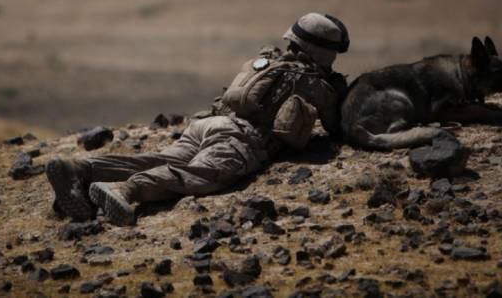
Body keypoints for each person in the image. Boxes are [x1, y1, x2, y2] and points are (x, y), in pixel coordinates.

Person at [46, 13, 349, 226]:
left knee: (158, 159)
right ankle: (125, 191)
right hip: (241, 140)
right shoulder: (315, 84)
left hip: (206, 125)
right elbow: (337, 126)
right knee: (199, 175)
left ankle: (81, 169)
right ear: (326, 52)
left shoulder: (266, 58)